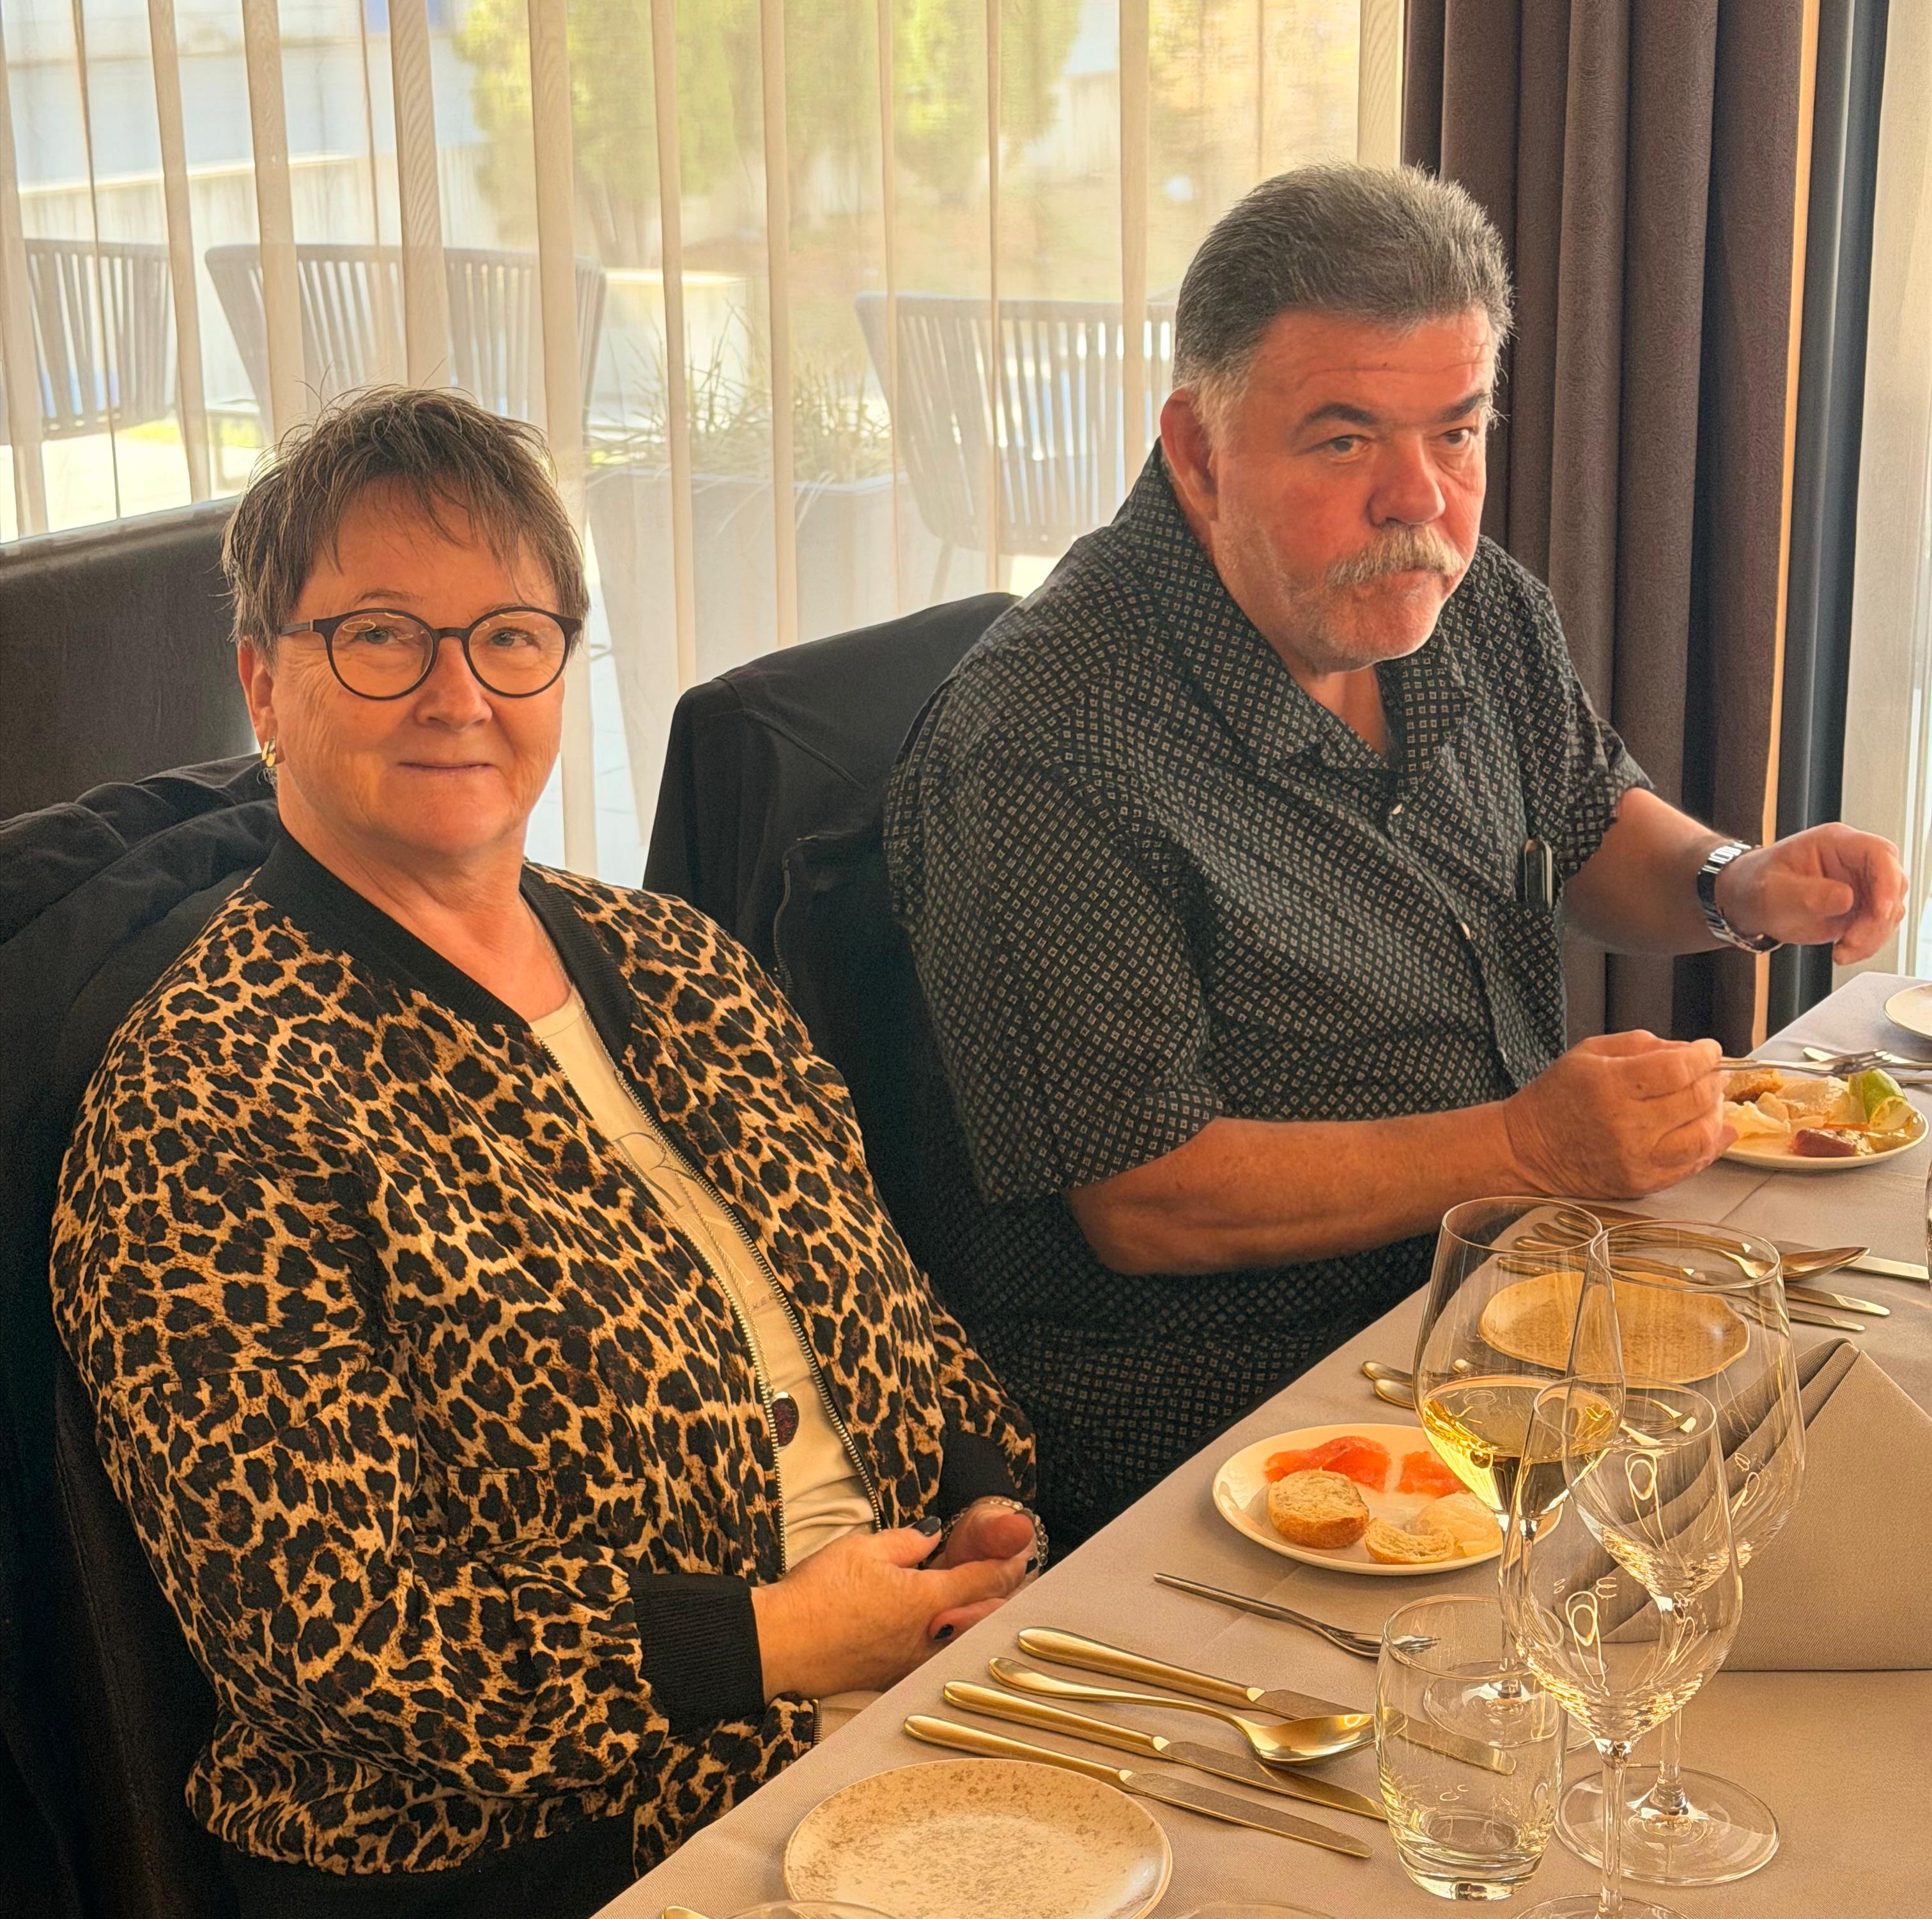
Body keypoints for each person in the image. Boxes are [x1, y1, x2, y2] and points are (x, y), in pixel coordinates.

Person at [50, 387, 1040, 1919]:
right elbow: (336, 1643)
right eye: (381, 637)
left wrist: (978, 1504)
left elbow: (898, 1320)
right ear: (261, 682)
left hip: (898, 1720)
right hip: (557, 1848)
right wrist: (780, 1642)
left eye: (510, 636)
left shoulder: (678, 959)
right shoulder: (209, 1099)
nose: (458, 693)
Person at [884, 164, 1906, 1548]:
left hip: (1503, 1318)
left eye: (1458, 430)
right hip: (1225, 1434)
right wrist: (1522, 1147)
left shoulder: (1460, 603)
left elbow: (1583, 814)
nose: (1418, 498)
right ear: (1198, 450)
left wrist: (1735, 881)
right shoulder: (1047, 742)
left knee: (1866, 1469)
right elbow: (1147, 1197)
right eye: (1344, 440)